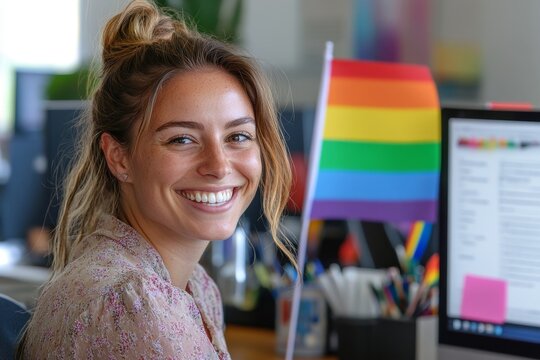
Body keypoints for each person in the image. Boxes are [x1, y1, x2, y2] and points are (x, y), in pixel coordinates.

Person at [17, 0, 294, 358]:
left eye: (238, 136)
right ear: (119, 157)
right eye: (182, 139)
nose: (219, 166)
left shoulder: (192, 285)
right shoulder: (132, 306)